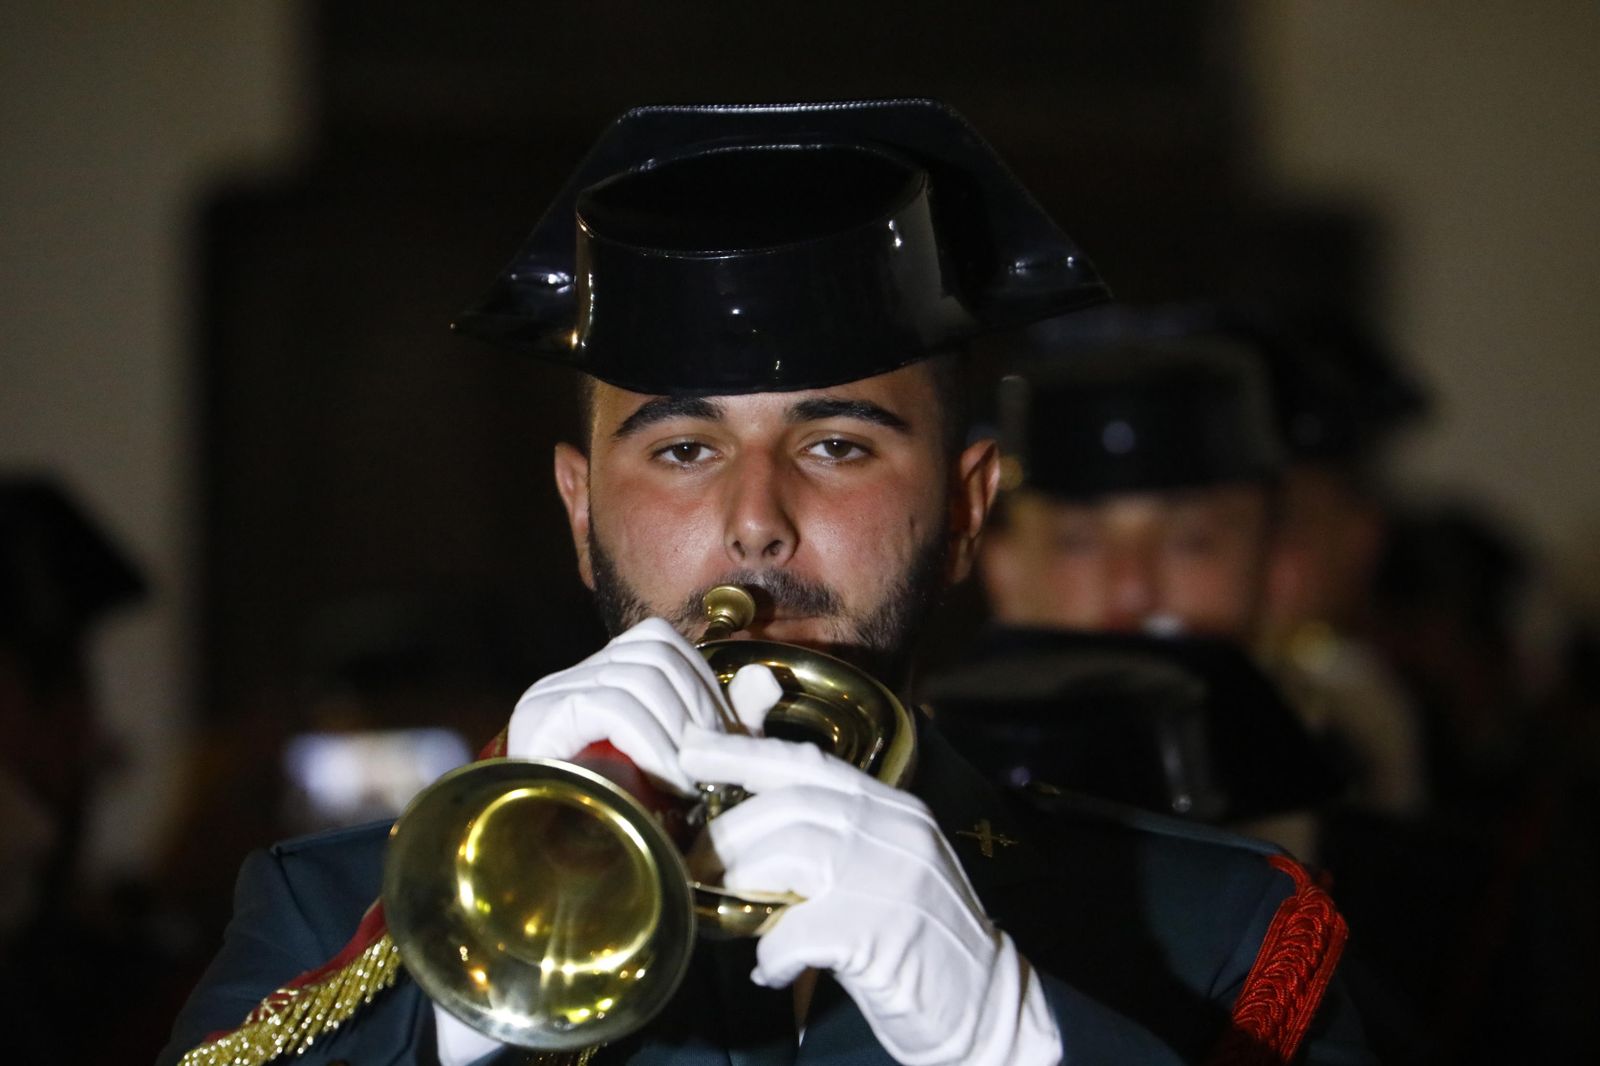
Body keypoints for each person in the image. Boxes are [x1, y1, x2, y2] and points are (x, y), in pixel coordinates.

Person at [159, 101, 1369, 1066]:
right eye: (684, 450)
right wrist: (467, 993)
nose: (755, 523)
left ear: (965, 510)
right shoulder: (329, 913)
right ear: (581, 512)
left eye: (836, 445)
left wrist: (1009, 1040)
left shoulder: (1217, 928)